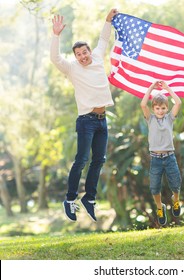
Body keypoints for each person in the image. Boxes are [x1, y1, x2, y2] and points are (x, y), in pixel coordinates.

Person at [50, 8, 118, 223]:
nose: (82, 56)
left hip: (102, 120)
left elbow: (104, 38)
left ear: (90, 51)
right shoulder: (71, 69)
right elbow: (55, 58)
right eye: (78, 54)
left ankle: (89, 198)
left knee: (99, 160)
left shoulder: (97, 56)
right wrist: (56, 35)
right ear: (75, 57)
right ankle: (70, 199)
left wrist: (107, 21)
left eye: (84, 52)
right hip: (86, 121)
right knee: (82, 160)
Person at [141, 81, 182, 226]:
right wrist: (151, 87)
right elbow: (143, 105)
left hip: (169, 157)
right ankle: (160, 207)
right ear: (153, 109)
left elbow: (178, 103)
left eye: (163, 108)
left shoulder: (169, 118)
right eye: (157, 108)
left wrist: (167, 89)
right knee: (154, 187)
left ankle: (175, 200)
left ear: (166, 108)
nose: (160, 111)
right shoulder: (150, 119)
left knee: (176, 184)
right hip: (155, 159)